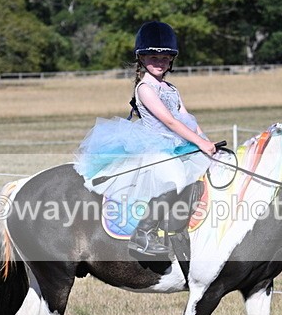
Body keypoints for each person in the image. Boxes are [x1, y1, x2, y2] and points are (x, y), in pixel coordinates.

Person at [74, 21, 216, 257]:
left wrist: (206, 142)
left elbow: (186, 118)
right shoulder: (145, 88)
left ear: (171, 59)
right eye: (152, 57)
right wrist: (199, 143)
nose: (159, 62)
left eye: (164, 57)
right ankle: (143, 234)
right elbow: (170, 121)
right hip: (153, 146)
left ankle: (183, 231)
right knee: (174, 179)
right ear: (141, 58)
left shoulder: (171, 88)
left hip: (177, 145)